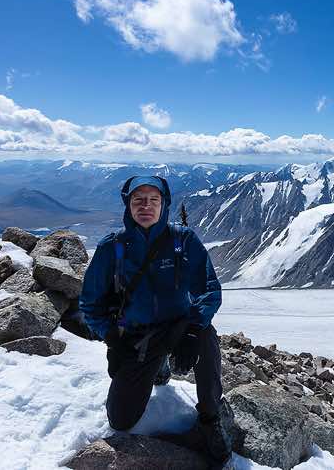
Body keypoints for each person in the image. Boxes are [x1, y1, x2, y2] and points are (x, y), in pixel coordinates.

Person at [79, 175, 231, 465]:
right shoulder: (112, 247)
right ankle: (158, 366)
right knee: (120, 420)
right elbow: (90, 302)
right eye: (138, 200)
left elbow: (209, 289)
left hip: (178, 326)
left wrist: (193, 329)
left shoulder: (183, 240)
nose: (146, 206)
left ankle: (210, 419)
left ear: (164, 204)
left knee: (207, 337)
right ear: (128, 205)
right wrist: (111, 337)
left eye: (153, 200)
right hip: (137, 337)